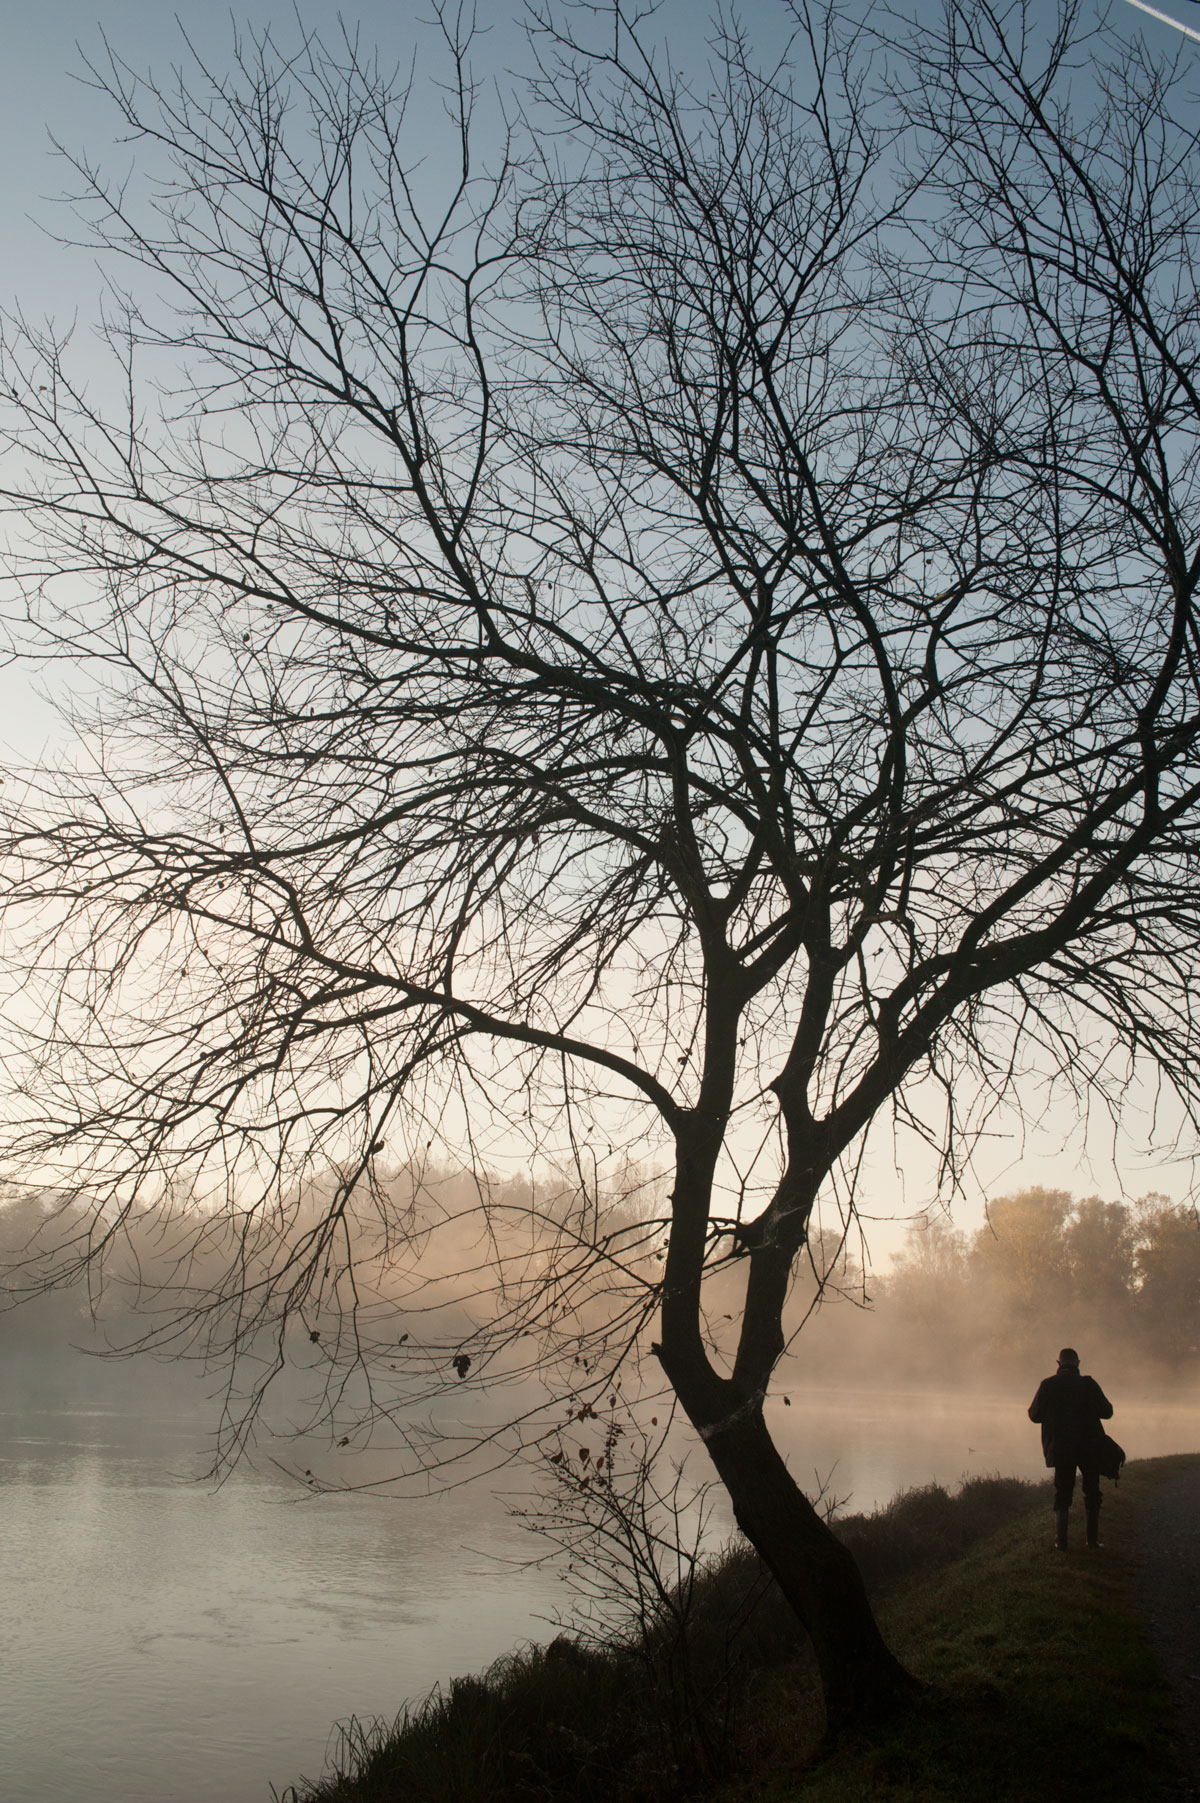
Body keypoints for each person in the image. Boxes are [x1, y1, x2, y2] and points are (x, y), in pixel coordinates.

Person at [1028, 1347, 1114, 1551]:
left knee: (1063, 1492)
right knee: (1092, 1492)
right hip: (1090, 1447)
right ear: (1078, 1363)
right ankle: (1092, 1541)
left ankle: (1061, 1542)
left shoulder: (1048, 1385)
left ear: (1058, 1364)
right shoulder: (1089, 1384)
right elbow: (1107, 1412)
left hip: (1061, 1448)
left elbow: (1034, 1416)